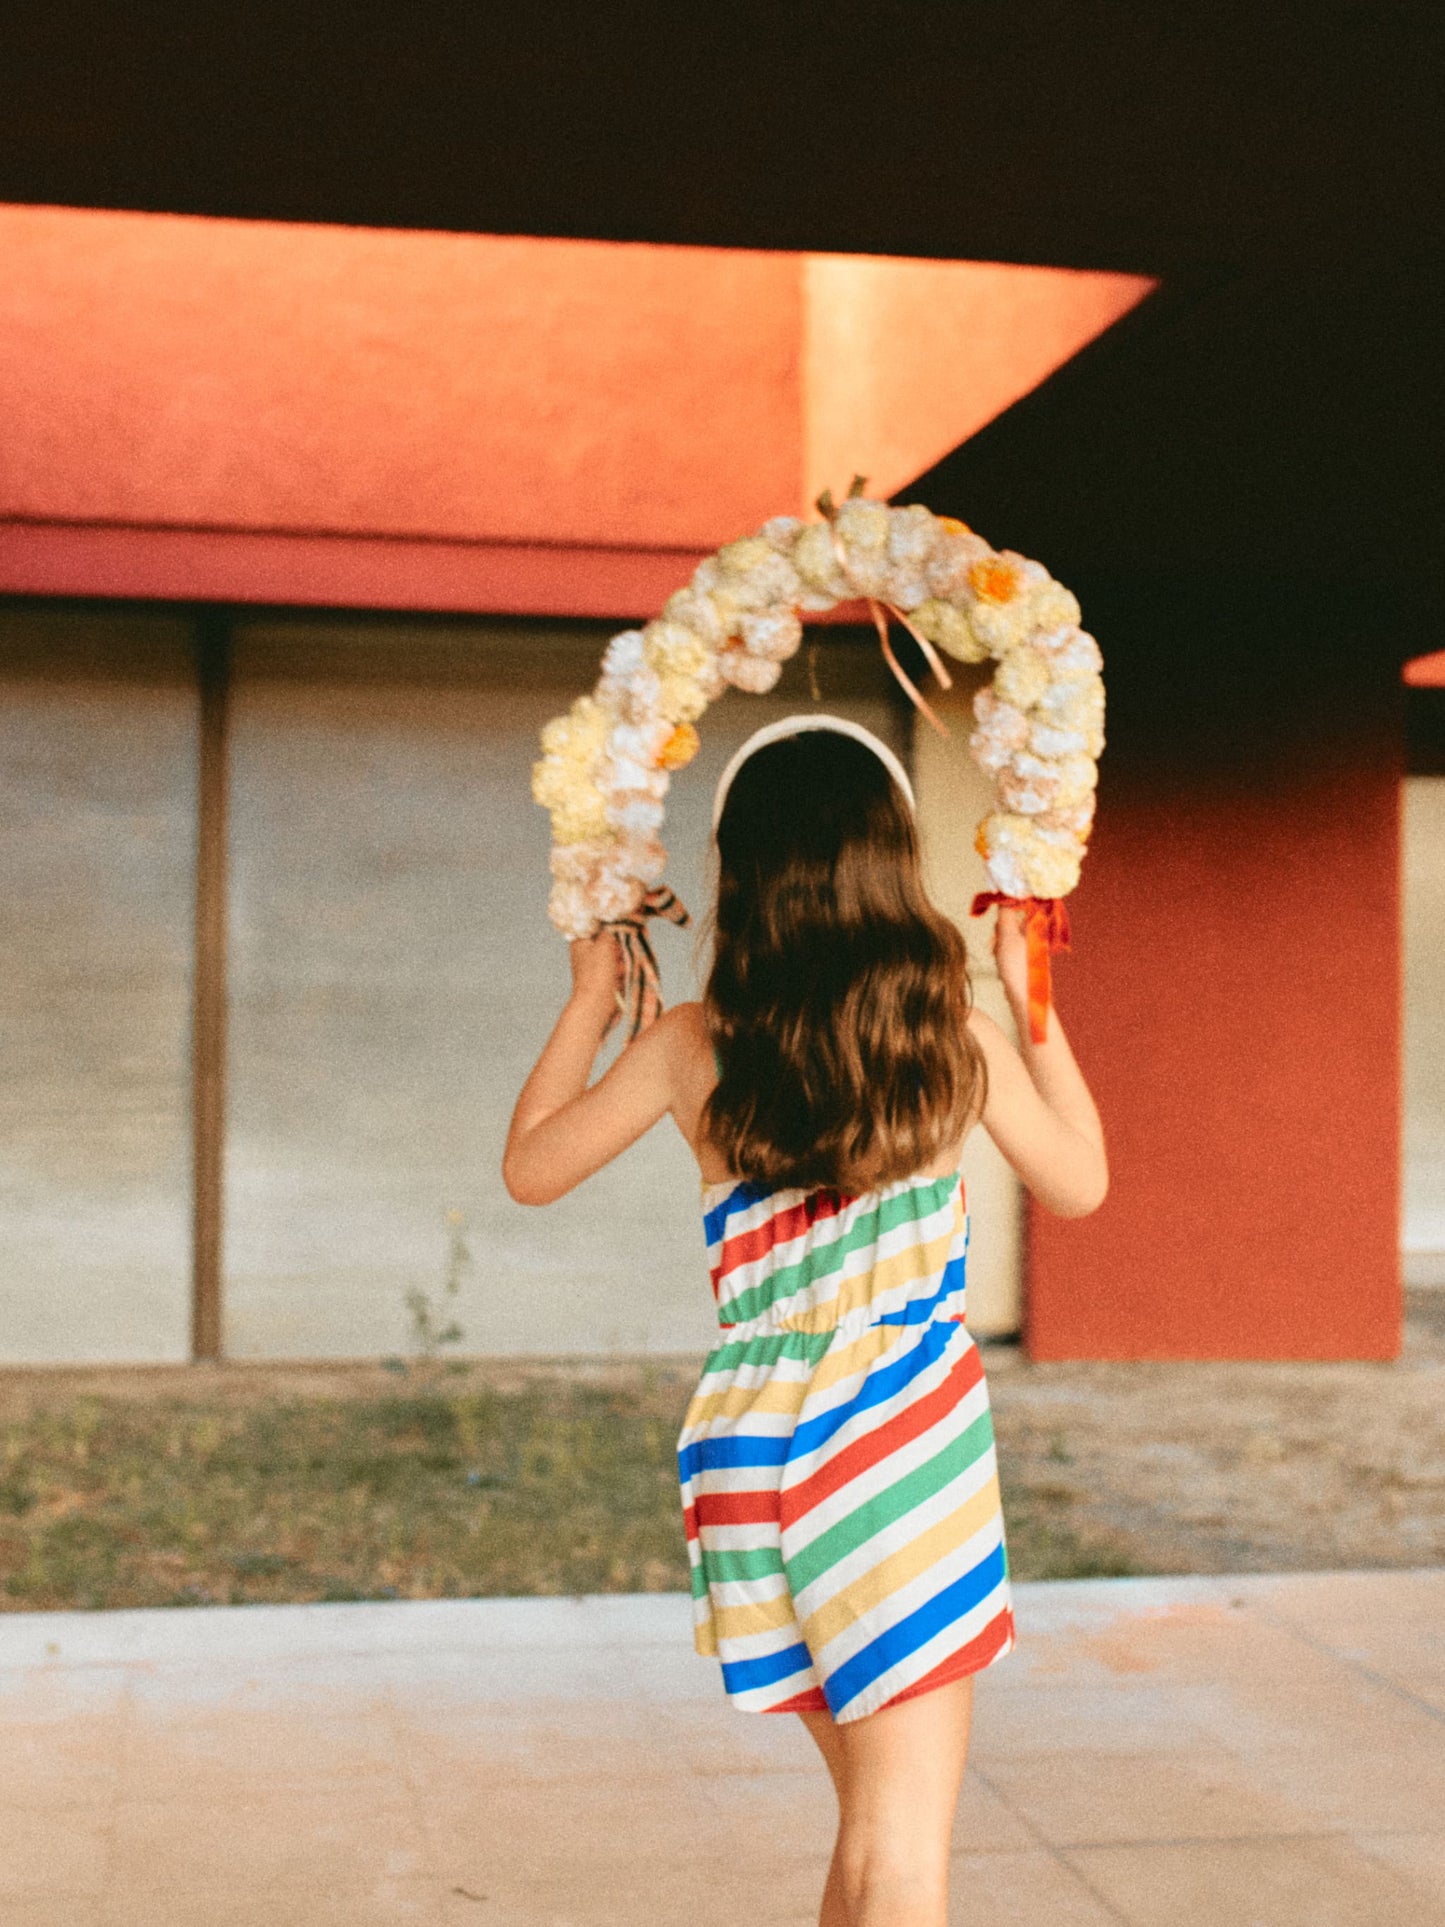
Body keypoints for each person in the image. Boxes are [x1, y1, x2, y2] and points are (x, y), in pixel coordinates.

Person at [505, 714, 1107, 1927]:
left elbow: (531, 1165)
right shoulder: (947, 1035)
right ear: (891, 860)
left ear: (744, 873)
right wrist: (1030, 1001)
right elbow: (1080, 1182)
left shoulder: (692, 1046)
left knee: (866, 1834)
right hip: (896, 1453)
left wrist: (588, 997)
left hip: (750, 1459)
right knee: (901, 1852)